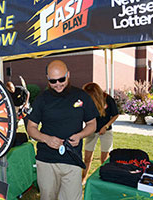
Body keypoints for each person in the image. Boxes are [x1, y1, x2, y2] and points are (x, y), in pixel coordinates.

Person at [27, 60, 99, 200]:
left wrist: (80, 135)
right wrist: (46, 139)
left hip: (73, 159)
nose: (58, 84)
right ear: (47, 79)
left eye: (61, 79)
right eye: (53, 81)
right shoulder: (42, 99)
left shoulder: (82, 96)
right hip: (47, 160)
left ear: (68, 75)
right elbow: (31, 128)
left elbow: (92, 124)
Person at [81, 82, 119, 185]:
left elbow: (115, 115)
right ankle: (83, 179)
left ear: (95, 93)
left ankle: (105, 178)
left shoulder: (108, 99)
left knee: (104, 158)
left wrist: (106, 126)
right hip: (92, 131)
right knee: (87, 158)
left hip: (106, 131)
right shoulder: (88, 101)